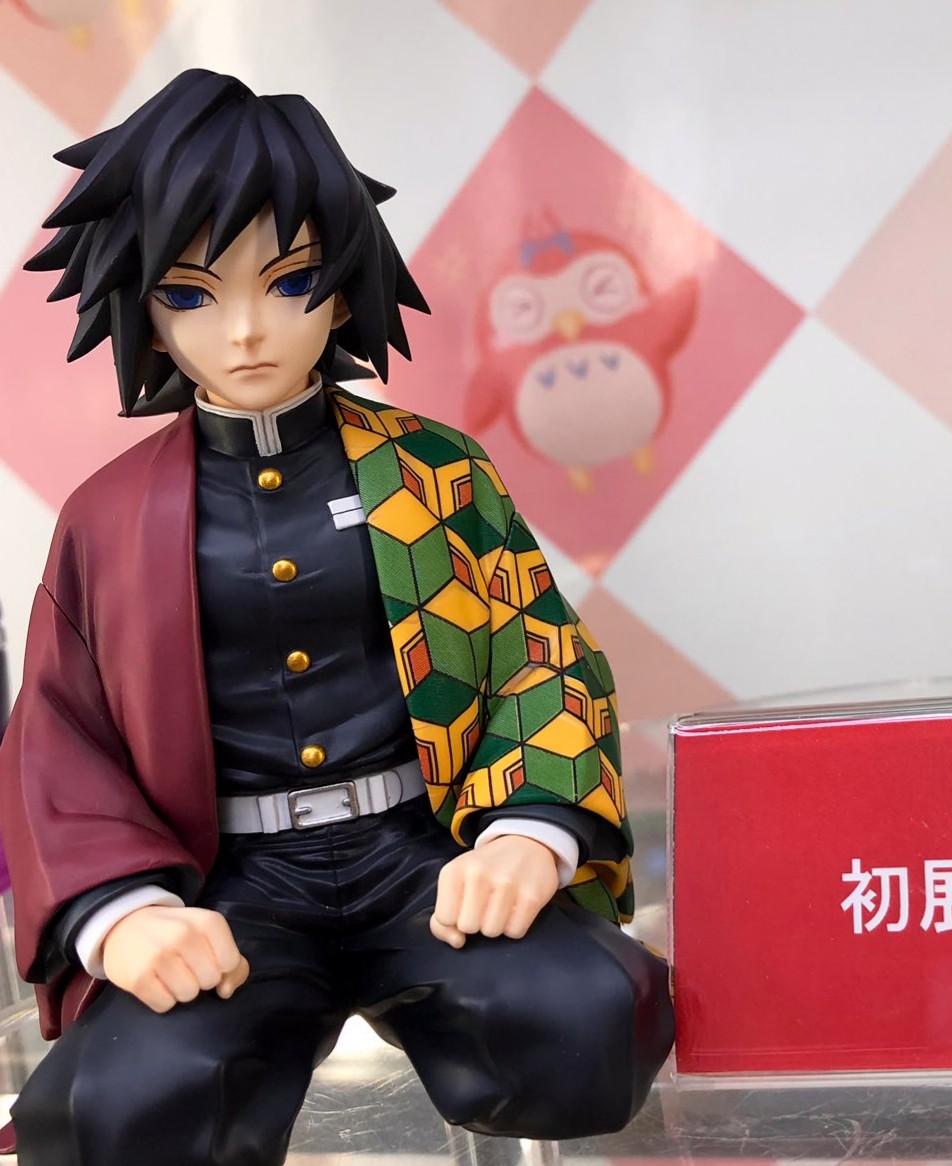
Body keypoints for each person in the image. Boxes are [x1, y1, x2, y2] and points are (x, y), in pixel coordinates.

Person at [0, 69, 673, 1165]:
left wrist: (527, 831)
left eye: (293, 281)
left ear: (344, 283)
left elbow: (539, 651)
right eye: (192, 294)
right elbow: (57, 733)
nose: (247, 330)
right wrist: (122, 911)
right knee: (127, 1108)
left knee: (581, 1023)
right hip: (232, 888)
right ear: (140, 306)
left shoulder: (435, 470)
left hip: (424, 856)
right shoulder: (107, 517)